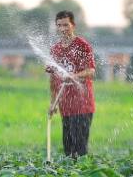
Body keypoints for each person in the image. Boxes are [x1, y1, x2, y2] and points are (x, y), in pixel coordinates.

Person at [45, 10, 96, 158]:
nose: (62, 29)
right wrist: (53, 103)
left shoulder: (82, 45)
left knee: (79, 151)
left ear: (73, 25)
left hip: (83, 106)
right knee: (68, 150)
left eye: (66, 25)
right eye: (59, 25)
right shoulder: (55, 49)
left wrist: (73, 76)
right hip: (65, 107)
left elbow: (91, 71)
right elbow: (53, 79)